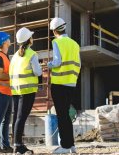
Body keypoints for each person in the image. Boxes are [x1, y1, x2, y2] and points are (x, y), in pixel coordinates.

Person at [47, 17, 81, 154]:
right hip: (71, 83)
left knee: (61, 115)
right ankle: (71, 145)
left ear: (54, 31)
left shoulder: (57, 42)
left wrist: (48, 65)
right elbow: (79, 64)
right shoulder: (75, 44)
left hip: (59, 83)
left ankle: (65, 146)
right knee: (65, 115)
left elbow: (57, 62)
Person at [9, 27, 42, 154]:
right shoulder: (32, 54)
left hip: (16, 90)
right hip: (27, 90)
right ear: (29, 40)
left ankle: (17, 144)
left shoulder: (15, 56)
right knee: (21, 118)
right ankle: (18, 146)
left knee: (17, 118)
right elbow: (38, 72)